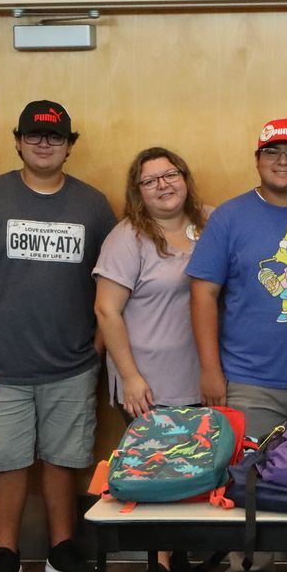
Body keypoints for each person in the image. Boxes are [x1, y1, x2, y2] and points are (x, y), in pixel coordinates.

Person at [0, 100, 116, 572]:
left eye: (55, 137)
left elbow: (114, 277)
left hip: (71, 361)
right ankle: (5, 555)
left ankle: (63, 547)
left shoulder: (92, 204)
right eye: (34, 135)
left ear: (70, 145)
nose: (44, 144)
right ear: (18, 140)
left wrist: (103, 340)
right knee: (7, 459)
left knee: (65, 457)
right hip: (0, 364)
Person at [189, 118, 287, 443]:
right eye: (272, 152)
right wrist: (210, 371)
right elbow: (202, 294)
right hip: (249, 383)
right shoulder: (229, 217)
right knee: (246, 481)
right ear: (257, 159)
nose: (282, 161)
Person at [95, 147, 210, 417]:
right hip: (149, 386)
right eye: (149, 181)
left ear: (185, 178)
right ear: (138, 192)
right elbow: (106, 310)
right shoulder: (125, 238)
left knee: (203, 460)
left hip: (204, 380)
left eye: (170, 174)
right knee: (161, 460)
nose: (163, 185)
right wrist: (130, 377)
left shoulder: (213, 221)